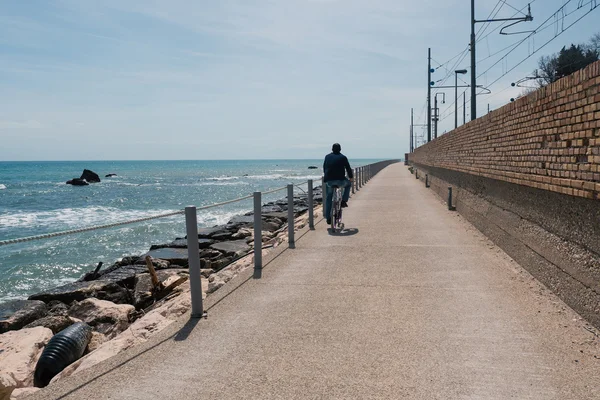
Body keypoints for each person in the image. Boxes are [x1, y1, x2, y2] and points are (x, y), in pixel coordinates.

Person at [323, 143, 353, 225]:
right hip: (340, 180)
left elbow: (324, 167)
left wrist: (327, 177)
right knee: (348, 184)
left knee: (329, 197)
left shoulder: (327, 157)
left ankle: (328, 218)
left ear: (332, 149)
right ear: (340, 149)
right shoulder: (343, 157)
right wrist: (351, 178)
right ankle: (344, 200)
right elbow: (348, 168)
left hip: (329, 181)